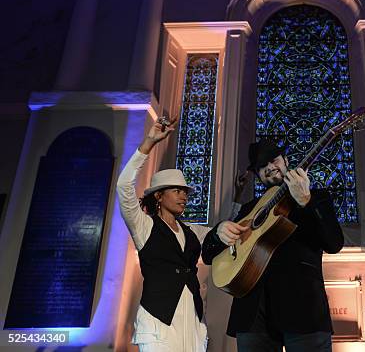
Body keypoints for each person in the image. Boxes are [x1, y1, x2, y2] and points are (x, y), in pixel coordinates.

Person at [202, 139, 344, 352]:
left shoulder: (316, 199)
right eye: (261, 167)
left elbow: (334, 243)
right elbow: (208, 255)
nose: (269, 168)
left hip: (303, 310)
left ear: (286, 160)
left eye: (273, 160)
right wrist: (218, 232)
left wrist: (306, 202)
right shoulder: (249, 209)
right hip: (253, 315)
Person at [117, 117, 210, 352]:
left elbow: (219, 234)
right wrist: (148, 144)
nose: (183, 197)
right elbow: (124, 188)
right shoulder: (144, 226)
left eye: (185, 193)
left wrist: (237, 200)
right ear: (159, 196)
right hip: (159, 321)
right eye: (177, 191)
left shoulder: (191, 231)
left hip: (191, 318)